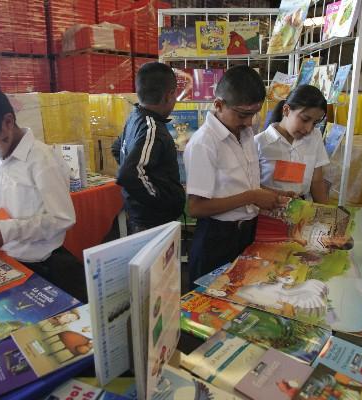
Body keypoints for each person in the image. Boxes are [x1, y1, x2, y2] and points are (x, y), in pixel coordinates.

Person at [0, 81, 87, 302]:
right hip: (3, 260)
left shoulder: (42, 160)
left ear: (8, 122)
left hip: (41, 267)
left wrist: (7, 230)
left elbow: (62, 219)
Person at [184, 65, 288, 281]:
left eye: (253, 114)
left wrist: (272, 194)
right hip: (217, 239)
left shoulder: (246, 132)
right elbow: (196, 207)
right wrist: (252, 197)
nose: (249, 122)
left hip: (247, 234)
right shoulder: (204, 143)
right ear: (219, 105)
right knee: (211, 302)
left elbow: (243, 183)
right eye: (242, 115)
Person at [111, 62, 185, 233]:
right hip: (153, 222)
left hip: (142, 218)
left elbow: (117, 149)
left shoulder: (135, 117)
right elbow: (129, 173)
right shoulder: (152, 128)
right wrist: (161, 199)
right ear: (170, 94)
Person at [255, 84, 329, 202]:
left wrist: (325, 215)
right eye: (305, 119)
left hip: (303, 209)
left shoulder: (315, 137)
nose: (309, 128)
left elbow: (317, 182)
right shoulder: (259, 143)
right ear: (286, 110)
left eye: (315, 123)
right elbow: (252, 187)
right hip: (268, 209)